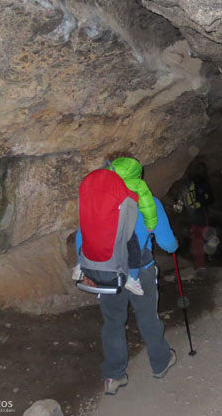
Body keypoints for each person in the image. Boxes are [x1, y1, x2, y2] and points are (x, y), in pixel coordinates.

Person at [76, 158, 179, 395]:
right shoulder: (148, 203)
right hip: (140, 273)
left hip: (107, 273)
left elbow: (83, 238)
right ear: (137, 177)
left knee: (113, 323)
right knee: (147, 319)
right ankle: (161, 363)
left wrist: (86, 269)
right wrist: (174, 246)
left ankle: (113, 376)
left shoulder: (98, 203)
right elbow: (167, 244)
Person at [111, 157, 158, 296]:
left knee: (83, 232)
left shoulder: (107, 183)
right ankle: (133, 277)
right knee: (134, 249)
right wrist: (150, 224)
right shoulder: (138, 184)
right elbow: (147, 204)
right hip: (125, 225)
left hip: (107, 224)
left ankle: (80, 266)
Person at [177, 161, 213, 272]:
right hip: (201, 215)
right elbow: (211, 199)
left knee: (195, 240)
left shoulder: (185, 184)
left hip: (189, 216)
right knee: (201, 239)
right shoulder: (203, 183)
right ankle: (200, 264)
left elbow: (180, 202)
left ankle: (196, 263)